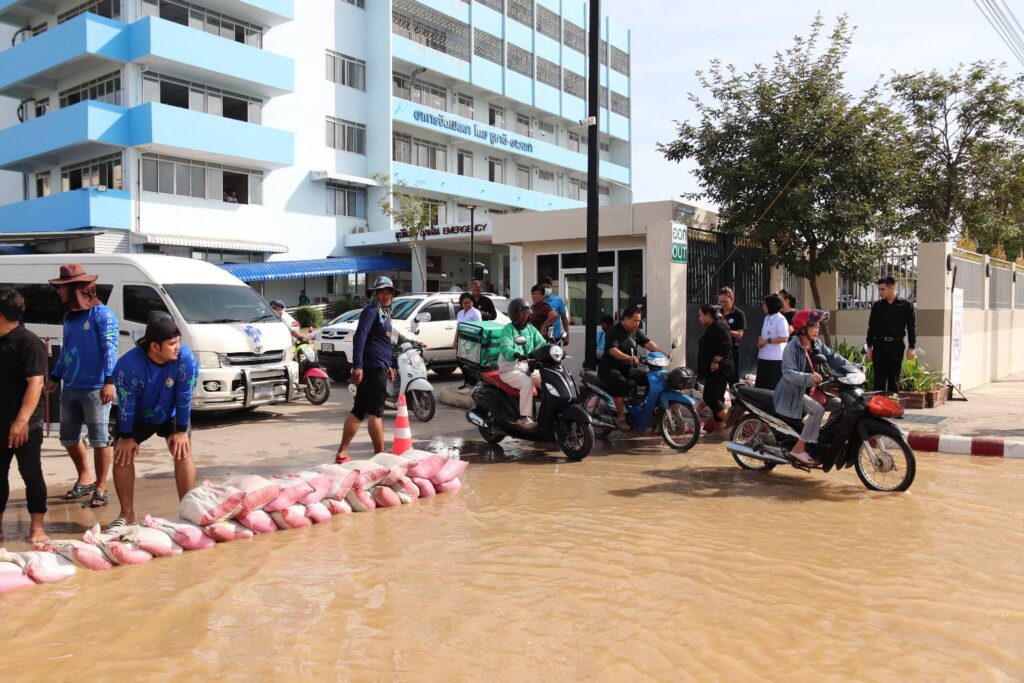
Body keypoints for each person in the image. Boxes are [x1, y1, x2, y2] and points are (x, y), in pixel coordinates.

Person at [109, 311, 199, 528]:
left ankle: (188, 510)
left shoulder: (185, 358)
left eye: (178, 342)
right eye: (171, 344)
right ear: (154, 346)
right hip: (139, 415)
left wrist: (180, 430)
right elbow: (126, 404)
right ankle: (127, 514)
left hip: (171, 413)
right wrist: (127, 436)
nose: (177, 347)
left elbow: (185, 395)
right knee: (122, 454)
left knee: (182, 449)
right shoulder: (128, 366)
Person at [46, 264, 118, 509]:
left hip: (97, 388)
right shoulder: (69, 317)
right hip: (72, 386)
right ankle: (85, 476)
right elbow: (67, 350)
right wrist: (55, 377)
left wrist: (109, 381)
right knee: (68, 437)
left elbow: (110, 348)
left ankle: (101, 486)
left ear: (75, 289)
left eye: (61, 288)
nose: (58, 293)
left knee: (99, 439)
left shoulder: (102, 315)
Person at [336, 277, 412, 462]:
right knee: (376, 412)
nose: (385, 295)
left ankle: (342, 452)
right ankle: (380, 455)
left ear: (393, 294)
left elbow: (386, 342)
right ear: (375, 294)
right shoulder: (371, 311)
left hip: (379, 366)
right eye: (382, 292)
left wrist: (391, 363)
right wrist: (358, 365)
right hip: (372, 367)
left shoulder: (384, 314)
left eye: (389, 292)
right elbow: (359, 337)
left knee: (359, 409)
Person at [775, 309, 857, 466]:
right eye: (813, 326)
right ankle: (799, 448)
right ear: (803, 328)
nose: (817, 329)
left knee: (839, 404)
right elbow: (788, 373)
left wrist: (853, 367)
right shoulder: (792, 347)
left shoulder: (816, 344)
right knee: (817, 410)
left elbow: (833, 358)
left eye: (818, 326)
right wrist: (809, 378)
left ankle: (817, 437)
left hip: (812, 391)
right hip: (792, 393)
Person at [0, 289, 48, 544]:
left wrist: (21, 421)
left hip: (26, 423)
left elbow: (36, 383)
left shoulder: (29, 342)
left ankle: (37, 527)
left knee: (30, 473)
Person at [598, 306, 660, 431]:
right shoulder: (613, 331)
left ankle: (644, 409)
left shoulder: (635, 332)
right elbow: (612, 350)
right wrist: (628, 357)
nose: (637, 323)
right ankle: (621, 417)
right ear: (626, 319)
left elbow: (649, 344)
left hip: (628, 369)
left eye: (639, 321)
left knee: (650, 379)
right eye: (635, 320)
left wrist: (664, 354)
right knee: (620, 382)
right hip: (610, 369)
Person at [497, 298, 546, 427]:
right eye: (522, 313)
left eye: (527, 313)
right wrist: (515, 354)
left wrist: (550, 350)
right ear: (514, 314)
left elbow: (541, 343)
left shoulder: (530, 329)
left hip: (527, 367)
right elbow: (505, 347)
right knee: (527, 383)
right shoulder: (508, 330)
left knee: (548, 380)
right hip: (509, 369)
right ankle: (523, 417)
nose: (525, 315)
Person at [866, 276, 916, 395]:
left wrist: (912, 347)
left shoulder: (906, 305)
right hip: (879, 345)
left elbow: (911, 327)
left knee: (893, 379)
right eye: (879, 289)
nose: (880, 292)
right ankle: (877, 410)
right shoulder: (877, 306)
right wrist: (869, 347)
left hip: (896, 345)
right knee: (879, 380)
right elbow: (871, 327)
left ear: (892, 288)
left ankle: (893, 409)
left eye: (882, 289)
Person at [696, 304, 733, 440]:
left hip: (719, 369)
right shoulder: (714, 327)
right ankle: (719, 431)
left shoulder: (718, 327)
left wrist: (716, 361)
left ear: (708, 315)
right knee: (718, 398)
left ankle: (732, 423)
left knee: (710, 397)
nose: (699, 318)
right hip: (717, 369)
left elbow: (726, 345)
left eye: (701, 315)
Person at [755, 294, 789, 390]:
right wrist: (760, 340)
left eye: (765, 304)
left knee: (773, 387)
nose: (763, 306)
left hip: (775, 359)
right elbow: (765, 334)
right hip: (763, 356)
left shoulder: (781, 319)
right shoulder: (767, 317)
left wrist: (767, 341)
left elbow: (784, 338)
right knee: (761, 386)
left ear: (771, 305)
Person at [718, 287, 745, 385]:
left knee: (733, 379)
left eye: (725, 302)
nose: (722, 304)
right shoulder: (717, 312)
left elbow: (740, 335)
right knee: (718, 380)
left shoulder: (739, 314)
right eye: (720, 302)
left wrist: (727, 331)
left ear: (732, 299)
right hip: (718, 351)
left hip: (731, 350)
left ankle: (735, 399)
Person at [540, 276, 569, 342]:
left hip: (555, 337)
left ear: (551, 288)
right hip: (541, 337)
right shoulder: (538, 301)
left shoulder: (558, 300)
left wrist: (567, 335)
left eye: (548, 287)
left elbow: (564, 318)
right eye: (544, 288)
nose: (547, 289)